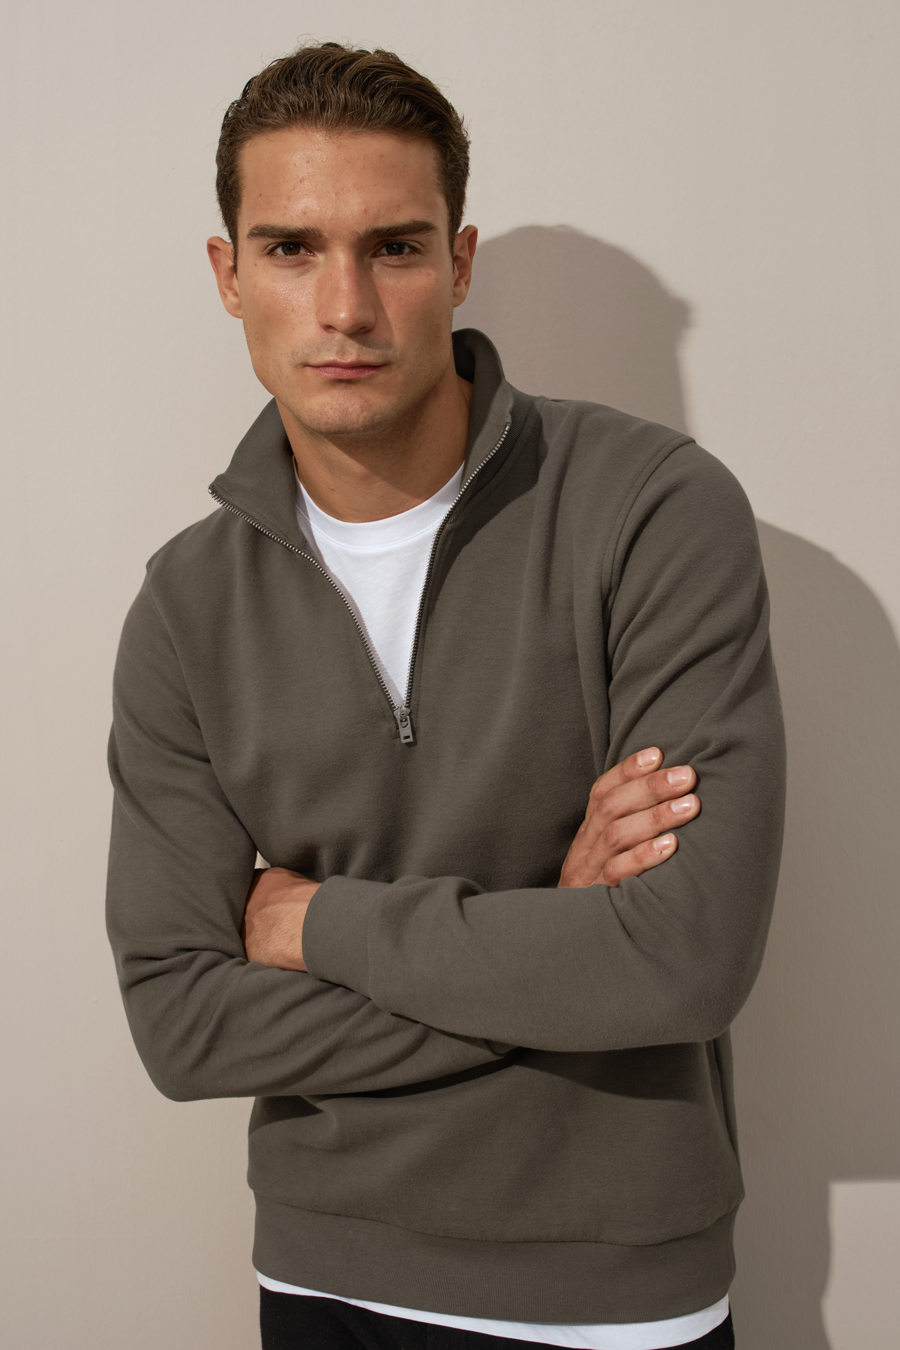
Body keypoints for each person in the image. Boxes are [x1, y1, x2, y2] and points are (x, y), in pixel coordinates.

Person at [106, 41, 785, 1350]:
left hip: (619, 1296)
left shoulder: (652, 509)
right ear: (229, 274)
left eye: (396, 248)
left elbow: (681, 964)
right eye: (293, 248)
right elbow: (183, 1028)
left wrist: (315, 922)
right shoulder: (186, 604)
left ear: (459, 263)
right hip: (324, 1282)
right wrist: (557, 945)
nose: (346, 307)